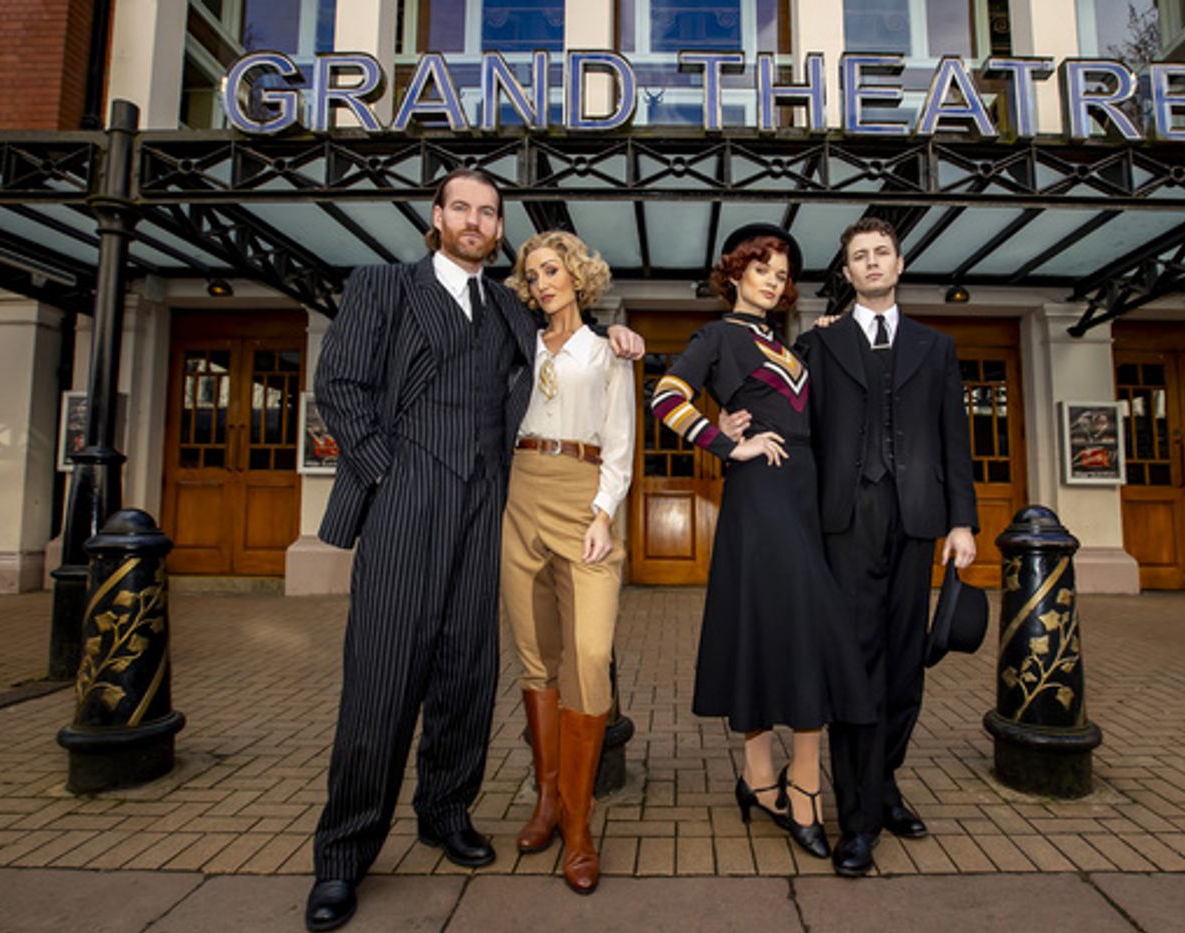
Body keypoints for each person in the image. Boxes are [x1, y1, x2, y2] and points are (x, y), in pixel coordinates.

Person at [305, 169, 642, 931]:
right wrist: (386, 473)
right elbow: (342, 383)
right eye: (462, 207)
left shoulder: (506, 309)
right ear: (437, 216)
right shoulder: (382, 286)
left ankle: (445, 812)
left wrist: (622, 334)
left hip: (490, 505)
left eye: (489, 212)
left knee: (466, 672)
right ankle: (343, 854)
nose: (475, 220)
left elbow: (571, 355)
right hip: (404, 503)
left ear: (499, 230)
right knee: (382, 679)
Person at [650, 223, 873, 860]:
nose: (775, 280)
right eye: (763, 268)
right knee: (801, 634)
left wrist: (826, 340)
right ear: (736, 274)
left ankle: (763, 782)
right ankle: (797, 791)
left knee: (782, 634)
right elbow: (665, 394)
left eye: (782, 273)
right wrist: (727, 441)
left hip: (804, 499)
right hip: (761, 498)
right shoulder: (719, 335)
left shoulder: (789, 342)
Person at [794, 216, 979, 877]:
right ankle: (860, 819)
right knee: (855, 666)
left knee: (905, 666)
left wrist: (964, 521)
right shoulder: (821, 345)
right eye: (858, 257)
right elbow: (801, 430)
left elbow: (955, 438)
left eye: (881, 253)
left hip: (918, 520)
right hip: (844, 522)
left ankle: (885, 782)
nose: (871, 263)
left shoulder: (937, 346)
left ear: (899, 265)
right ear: (845, 273)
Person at [500, 231, 634, 894]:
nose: (542, 282)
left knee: (586, 656)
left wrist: (604, 513)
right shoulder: (515, 342)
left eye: (552, 270)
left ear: (577, 275)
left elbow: (620, 444)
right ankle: (548, 799)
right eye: (532, 275)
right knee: (535, 657)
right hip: (519, 491)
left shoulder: (611, 349)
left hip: (583, 499)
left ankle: (580, 826)